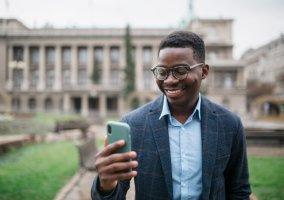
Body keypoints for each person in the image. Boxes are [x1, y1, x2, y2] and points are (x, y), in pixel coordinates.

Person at [91, 31, 251, 199]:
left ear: (204, 71)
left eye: (180, 70)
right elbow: (115, 193)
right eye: (162, 71)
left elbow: (239, 190)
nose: (169, 80)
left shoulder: (229, 124)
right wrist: (106, 185)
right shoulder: (133, 124)